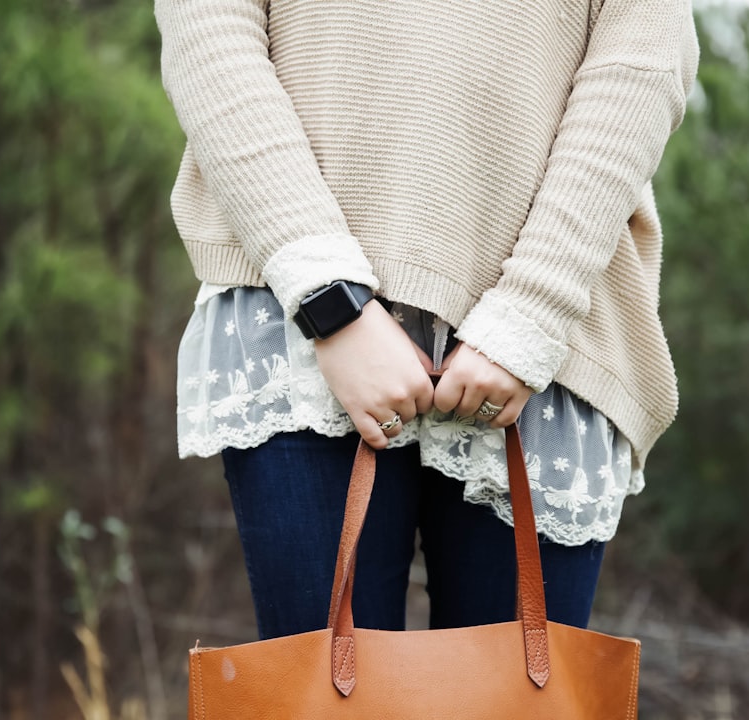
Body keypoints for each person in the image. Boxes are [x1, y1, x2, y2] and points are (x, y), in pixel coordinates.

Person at [155, 0, 699, 638]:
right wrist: (329, 298)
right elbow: (208, 30)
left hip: (549, 334)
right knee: (329, 707)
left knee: (513, 708)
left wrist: (533, 310)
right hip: (299, 322)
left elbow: (643, 60)